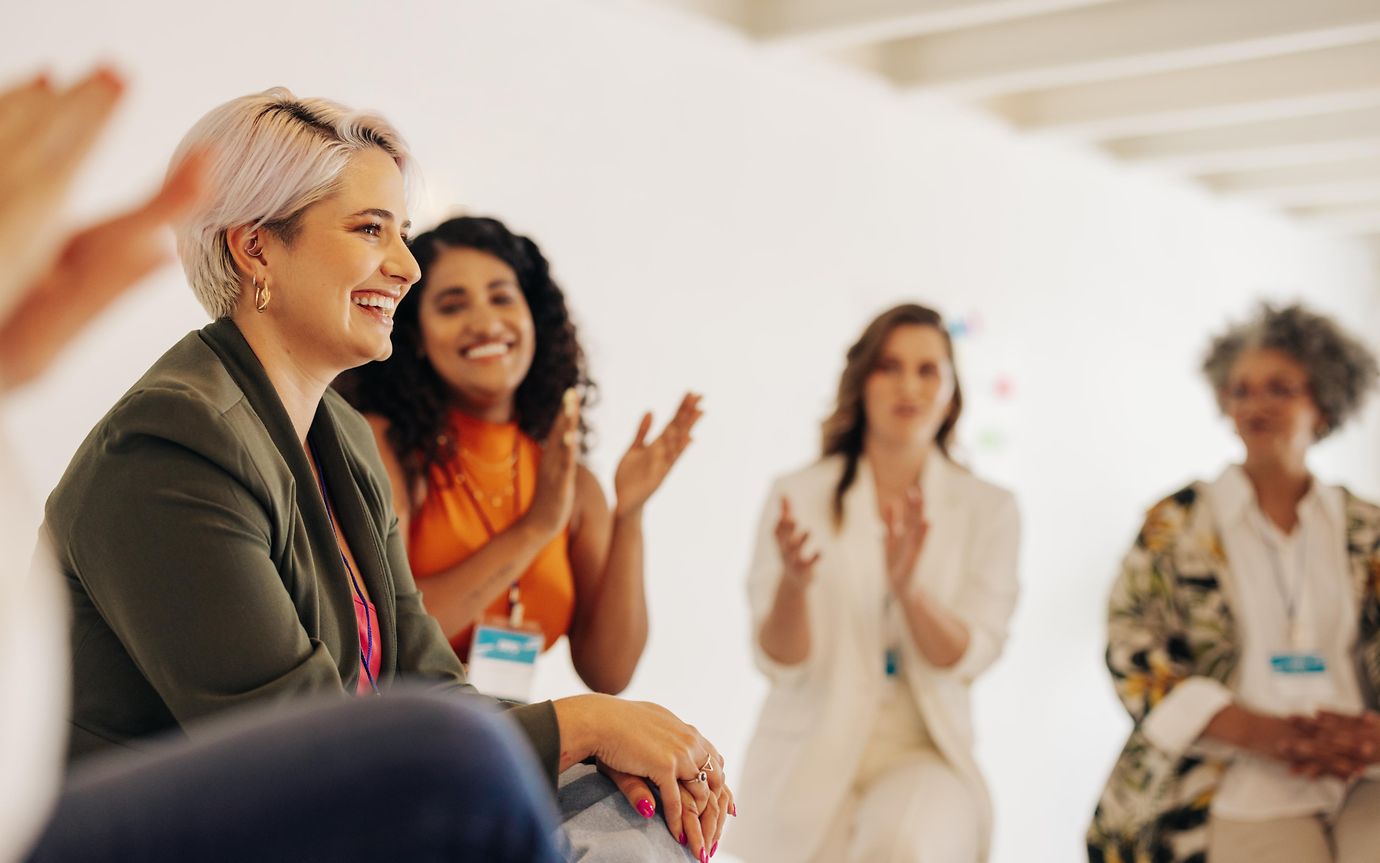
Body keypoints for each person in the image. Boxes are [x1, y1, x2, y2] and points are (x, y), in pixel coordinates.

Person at [41, 86, 730, 862]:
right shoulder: (171, 441)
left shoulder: (341, 434)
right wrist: (590, 722)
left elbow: (426, 678)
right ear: (255, 247)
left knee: (636, 812)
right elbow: (298, 745)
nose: (405, 266)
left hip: (341, 812)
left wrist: (608, 742)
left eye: (400, 232)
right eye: (372, 229)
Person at [338, 215, 701, 697]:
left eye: (502, 297)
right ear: (417, 338)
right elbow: (388, 635)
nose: (486, 322)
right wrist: (535, 528)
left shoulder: (570, 482)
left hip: (502, 736)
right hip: (399, 730)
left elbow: (608, 672)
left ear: (534, 320)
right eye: (452, 306)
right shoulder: (383, 446)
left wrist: (629, 515)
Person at [727, 303, 1020, 863]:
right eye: (890, 366)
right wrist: (793, 584)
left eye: (927, 369)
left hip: (925, 751)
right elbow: (780, 662)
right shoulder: (797, 495)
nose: (908, 385)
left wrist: (910, 591)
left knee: (901, 846)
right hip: (810, 747)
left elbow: (969, 657)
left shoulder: (992, 510)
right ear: (862, 382)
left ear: (953, 392)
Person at [1088, 303, 1380, 863]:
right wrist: (1257, 732)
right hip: (1238, 778)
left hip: (1362, 773)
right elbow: (1131, 650)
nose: (1255, 406)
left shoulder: (1366, 529)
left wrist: (1369, 739)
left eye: (1279, 388)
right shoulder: (1176, 524)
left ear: (1323, 402)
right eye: (1240, 391)